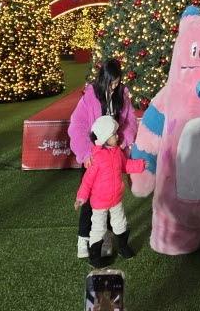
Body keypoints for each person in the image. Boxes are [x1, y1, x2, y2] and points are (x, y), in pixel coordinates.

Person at [67, 60, 138, 259]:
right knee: (89, 200)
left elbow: (129, 121)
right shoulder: (90, 97)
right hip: (93, 156)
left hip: (112, 155)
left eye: (117, 82)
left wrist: (122, 142)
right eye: (111, 83)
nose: (114, 86)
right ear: (103, 80)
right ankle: (83, 238)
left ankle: (104, 237)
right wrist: (85, 153)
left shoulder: (122, 95)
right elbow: (78, 125)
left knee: (111, 197)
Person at [75, 115, 145, 267]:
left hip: (116, 199)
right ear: (104, 138)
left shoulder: (117, 152)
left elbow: (125, 166)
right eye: (113, 134)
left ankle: (123, 247)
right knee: (98, 229)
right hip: (99, 202)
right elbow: (87, 180)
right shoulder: (97, 158)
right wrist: (81, 197)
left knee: (121, 223)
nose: (117, 136)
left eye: (115, 133)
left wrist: (141, 165)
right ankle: (94, 257)